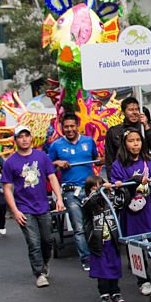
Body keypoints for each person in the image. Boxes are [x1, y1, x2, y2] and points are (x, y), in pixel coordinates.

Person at [1, 124, 65, 287]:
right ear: (15, 140)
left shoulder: (42, 156)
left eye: (26, 136)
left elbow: (52, 177)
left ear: (31, 138)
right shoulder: (10, 162)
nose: (24, 139)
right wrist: (15, 211)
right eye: (20, 136)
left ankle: (45, 262)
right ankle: (39, 273)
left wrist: (59, 198)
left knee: (48, 240)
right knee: (33, 241)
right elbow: (7, 189)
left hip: (43, 206)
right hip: (24, 208)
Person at [109, 128, 151, 296]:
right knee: (136, 248)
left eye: (138, 140)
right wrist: (128, 182)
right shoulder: (118, 165)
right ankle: (143, 280)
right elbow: (117, 188)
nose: (135, 144)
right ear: (124, 144)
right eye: (131, 141)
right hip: (132, 215)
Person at [106, 97, 151, 228]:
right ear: (123, 112)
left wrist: (147, 126)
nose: (134, 112)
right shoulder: (114, 132)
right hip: (127, 184)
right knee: (131, 217)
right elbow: (109, 159)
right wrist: (115, 185)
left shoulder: (145, 128)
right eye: (131, 109)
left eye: (137, 109)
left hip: (150, 179)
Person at [48, 113, 99, 269]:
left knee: (97, 223)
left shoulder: (88, 141)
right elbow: (48, 166)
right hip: (71, 192)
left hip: (91, 190)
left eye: (72, 126)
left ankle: (99, 253)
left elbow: (96, 158)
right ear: (62, 128)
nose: (69, 129)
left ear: (77, 126)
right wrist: (58, 162)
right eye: (66, 127)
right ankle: (86, 259)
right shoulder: (56, 145)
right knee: (78, 227)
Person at [81, 175, 125, 302]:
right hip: (98, 242)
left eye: (99, 186)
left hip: (112, 240)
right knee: (102, 269)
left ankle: (115, 291)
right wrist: (99, 190)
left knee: (114, 266)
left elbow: (121, 202)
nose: (97, 189)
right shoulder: (86, 201)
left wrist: (118, 189)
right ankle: (104, 293)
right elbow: (90, 203)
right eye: (93, 188)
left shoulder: (110, 201)